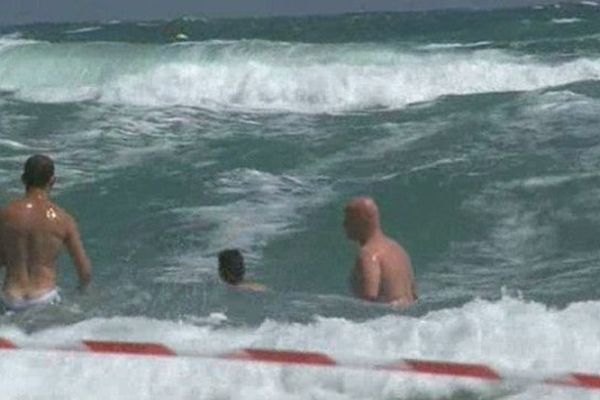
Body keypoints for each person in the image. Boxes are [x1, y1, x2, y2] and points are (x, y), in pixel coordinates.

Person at [0, 155, 92, 312]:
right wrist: (81, 295)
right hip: (44, 299)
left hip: (10, 298)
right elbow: (85, 271)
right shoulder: (63, 219)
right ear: (52, 181)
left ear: (23, 179)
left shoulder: (5, 215)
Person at [344, 197, 417, 307]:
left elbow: (368, 300)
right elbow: (415, 295)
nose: (344, 224)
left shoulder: (368, 254)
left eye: (349, 219)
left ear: (362, 220)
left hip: (388, 320)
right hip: (410, 321)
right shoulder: (398, 249)